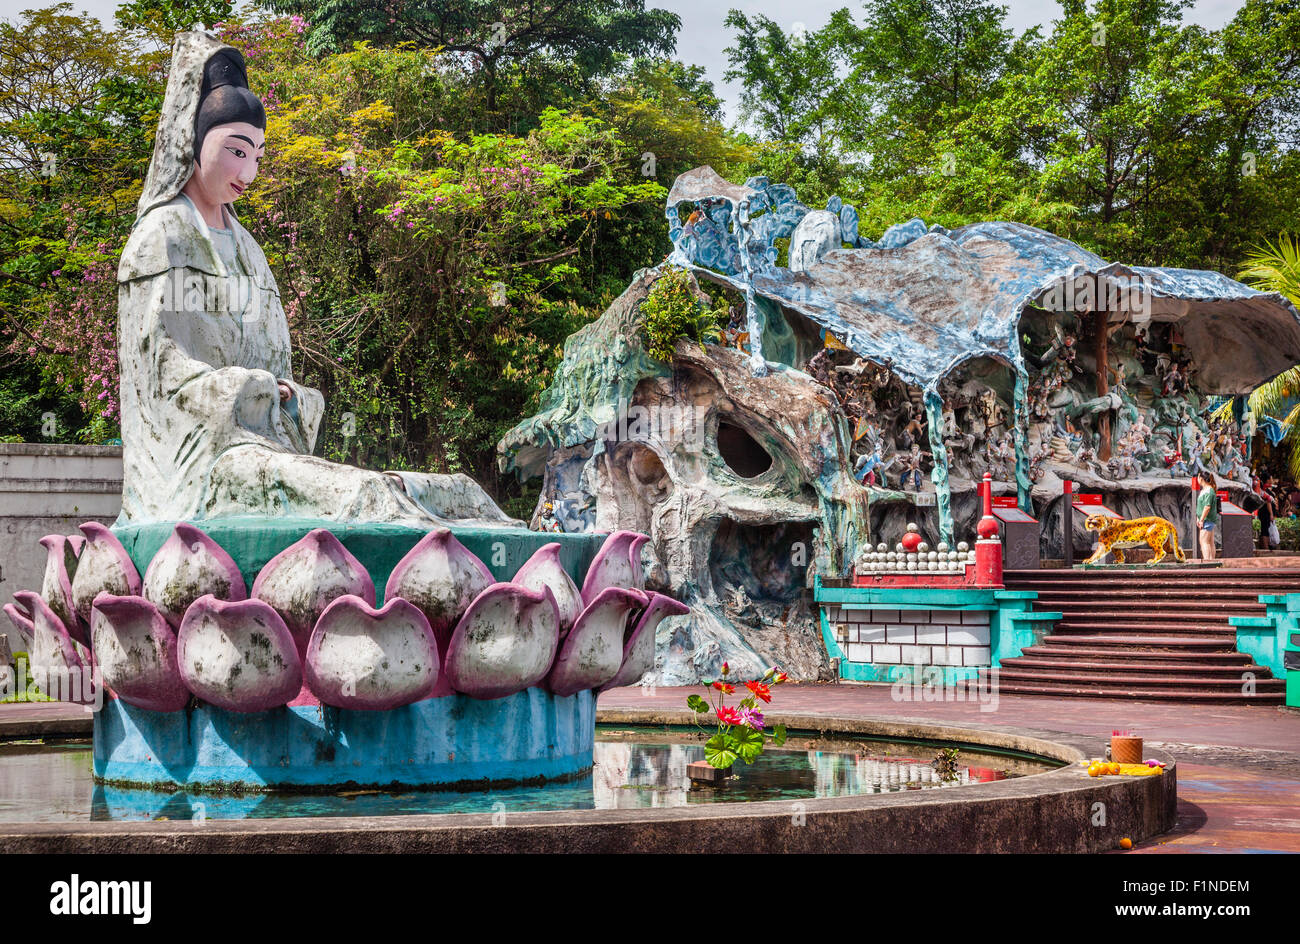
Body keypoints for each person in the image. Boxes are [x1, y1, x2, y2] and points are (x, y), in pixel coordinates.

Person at [116, 32, 515, 526]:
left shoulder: (249, 251)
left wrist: (290, 395)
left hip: (267, 447)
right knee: (368, 498)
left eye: (258, 156)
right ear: (191, 141)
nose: (249, 173)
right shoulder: (163, 237)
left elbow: (278, 367)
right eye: (237, 151)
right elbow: (162, 385)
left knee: (447, 491)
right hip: (204, 469)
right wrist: (254, 390)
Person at [1196, 474, 1220, 560]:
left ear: (1201, 478)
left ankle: (1207, 562)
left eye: (1198, 477)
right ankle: (1211, 561)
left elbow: (1207, 507)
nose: (1197, 479)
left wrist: (1201, 520)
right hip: (1205, 519)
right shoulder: (1205, 490)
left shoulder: (1209, 491)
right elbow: (1202, 506)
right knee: (1210, 542)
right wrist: (1198, 518)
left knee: (1204, 542)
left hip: (1207, 520)